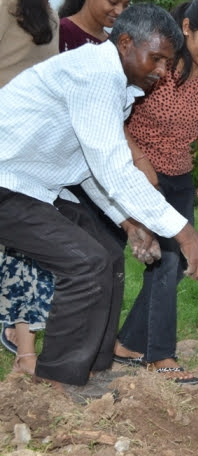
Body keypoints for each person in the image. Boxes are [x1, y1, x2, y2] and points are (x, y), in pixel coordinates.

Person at [0, 4, 198, 389]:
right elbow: (113, 168)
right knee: (85, 263)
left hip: (34, 186)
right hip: (8, 183)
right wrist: (185, 234)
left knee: (107, 253)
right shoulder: (95, 74)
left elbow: (89, 167)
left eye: (168, 62)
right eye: (158, 58)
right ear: (126, 43)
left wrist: (128, 222)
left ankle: (94, 368)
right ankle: (58, 382)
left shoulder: (115, 85)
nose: (163, 71)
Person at [113, 0, 198, 385]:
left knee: (176, 263)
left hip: (180, 175)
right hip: (141, 175)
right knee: (165, 263)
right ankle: (160, 354)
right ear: (186, 28)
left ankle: (128, 345)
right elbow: (116, 114)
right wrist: (137, 160)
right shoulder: (159, 63)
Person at [0, 0, 59, 375]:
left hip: (29, 143)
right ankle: (20, 340)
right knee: (22, 246)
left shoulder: (46, 13)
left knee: (25, 248)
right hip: (18, 138)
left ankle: (24, 348)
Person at [58, 0, 129, 51]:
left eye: (125, 5)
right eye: (113, 2)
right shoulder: (61, 31)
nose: (119, 11)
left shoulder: (113, 43)